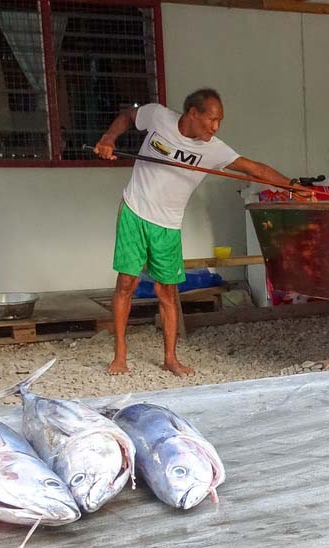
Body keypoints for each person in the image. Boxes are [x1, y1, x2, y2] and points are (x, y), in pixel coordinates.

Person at [94, 88, 303, 376]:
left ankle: (170, 358)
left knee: (167, 291)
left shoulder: (213, 149)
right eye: (212, 119)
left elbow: (253, 168)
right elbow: (129, 115)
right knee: (126, 284)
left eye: (220, 121)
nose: (215, 127)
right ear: (193, 113)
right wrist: (108, 138)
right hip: (135, 210)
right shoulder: (158, 117)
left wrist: (291, 185)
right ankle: (120, 356)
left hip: (168, 223)